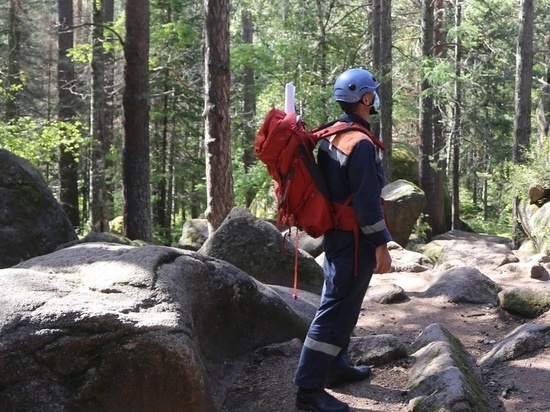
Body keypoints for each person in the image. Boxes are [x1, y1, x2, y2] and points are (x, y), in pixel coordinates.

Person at [293, 68, 393, 412]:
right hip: (354, 241)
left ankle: (335, 367)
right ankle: (307, 392)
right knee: (334, 309)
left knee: (345, 306)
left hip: (339, 235)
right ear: (365, 99)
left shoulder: (333, 135)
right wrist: (381, 244)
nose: (376, 97)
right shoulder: (360, 144)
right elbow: (366, 202)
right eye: (373, 93)